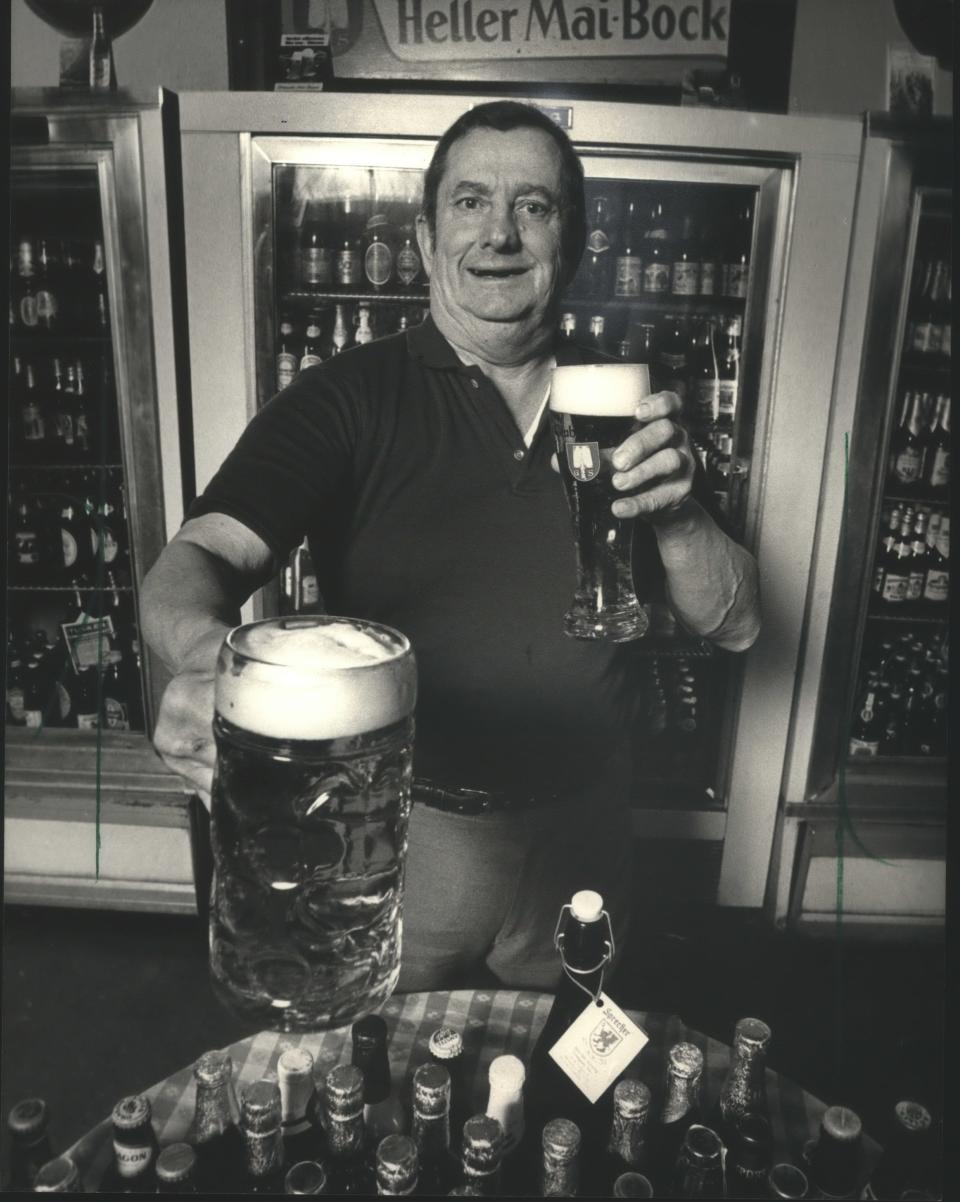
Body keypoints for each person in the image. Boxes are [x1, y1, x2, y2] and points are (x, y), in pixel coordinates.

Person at [141, 101, 760, 992]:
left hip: (587, 827)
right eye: (471, 202)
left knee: (570, 1071)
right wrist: (225, 673)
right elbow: (190, 565)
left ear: (573, 242)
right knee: (389, 1081)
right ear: (427, 239)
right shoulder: (344, 398)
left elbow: (737, 625)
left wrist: (679, 514)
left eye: (534, 206)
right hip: (403, 834)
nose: (500, 233)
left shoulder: (631, 398)